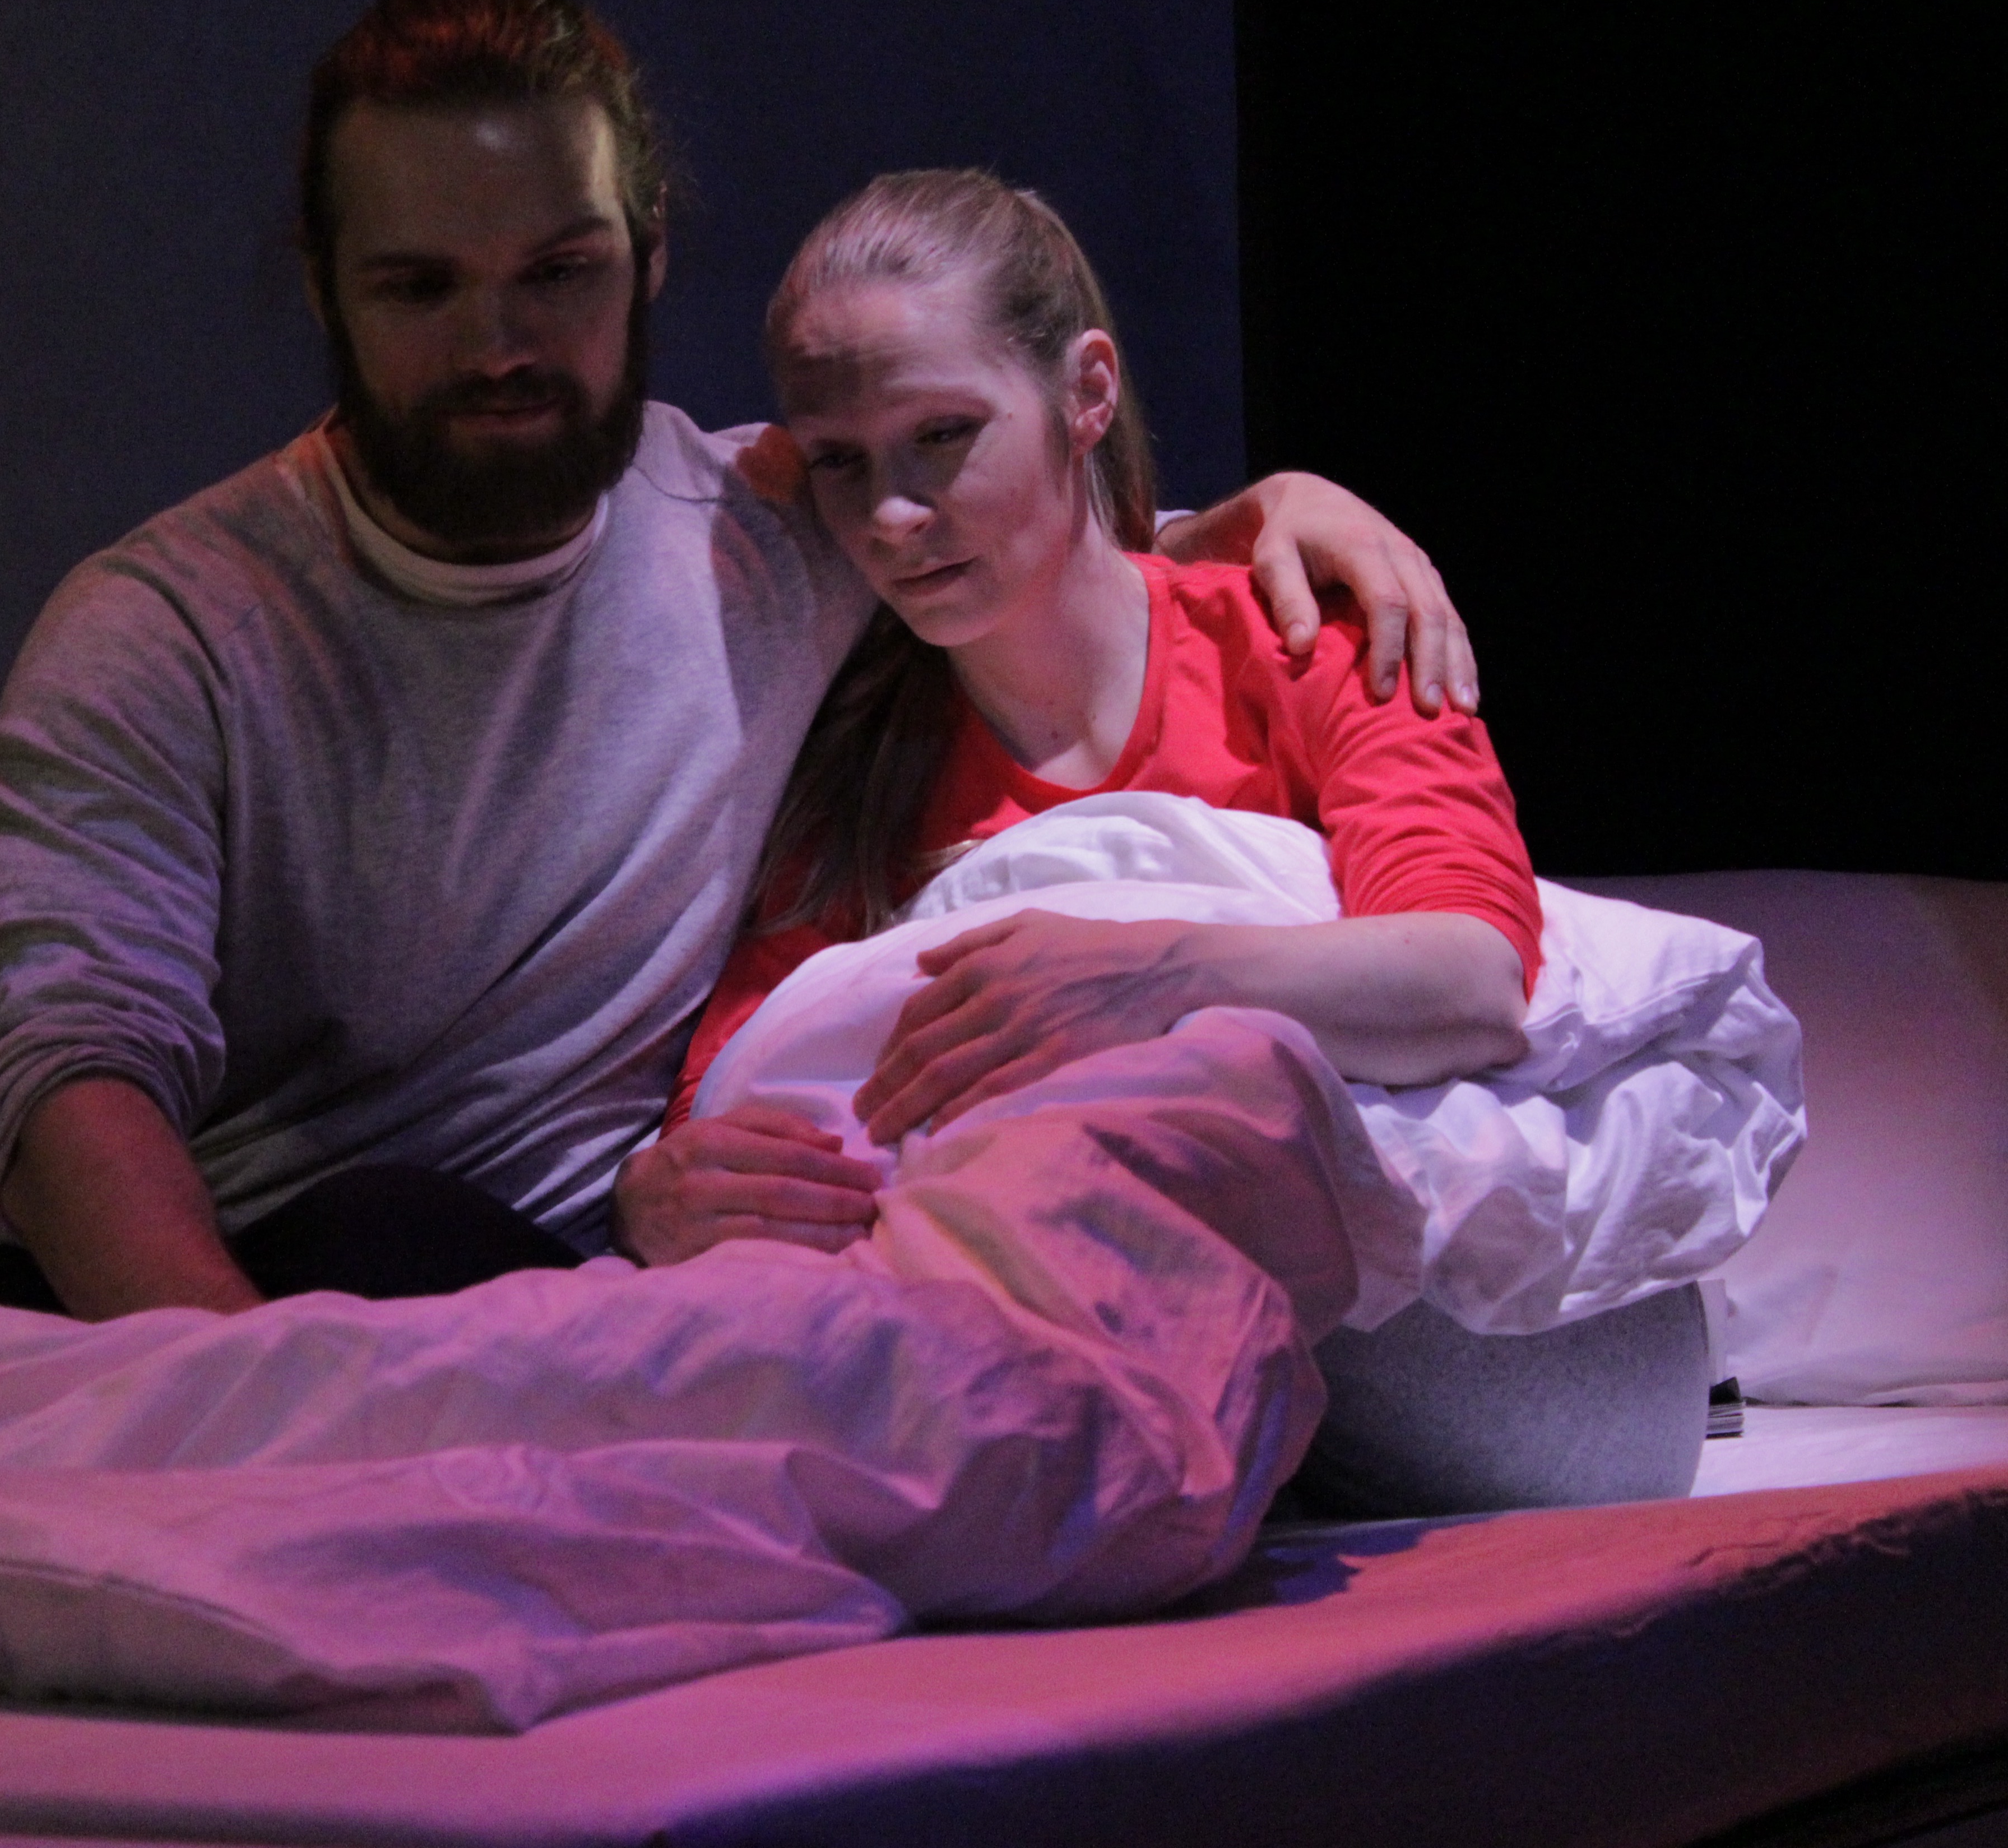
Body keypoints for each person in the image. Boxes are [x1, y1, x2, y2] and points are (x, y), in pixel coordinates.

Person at [0, 0, 1472, 1326]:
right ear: (324, 284)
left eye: (560, 270)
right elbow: (71, 1072)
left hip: (601, 1289)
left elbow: (1018, 537)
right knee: (380, 1237)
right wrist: (233, 1385)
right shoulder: (167, 634)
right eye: (420, 286)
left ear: (650, 255)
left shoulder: (774, 525)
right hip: (246, 1278)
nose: (498, 346)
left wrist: (1265, 513)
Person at [626, 169, 1707, 1513]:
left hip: (1529, 1340)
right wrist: (658, 1198)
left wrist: (1155, 979)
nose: (891, 517)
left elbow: (1476, 981)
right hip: (1133, 1347)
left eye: (944, 437)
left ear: (1087, 393)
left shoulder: (1309, 637)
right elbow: (742, 1089)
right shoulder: (854, 776)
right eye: (840, 462)